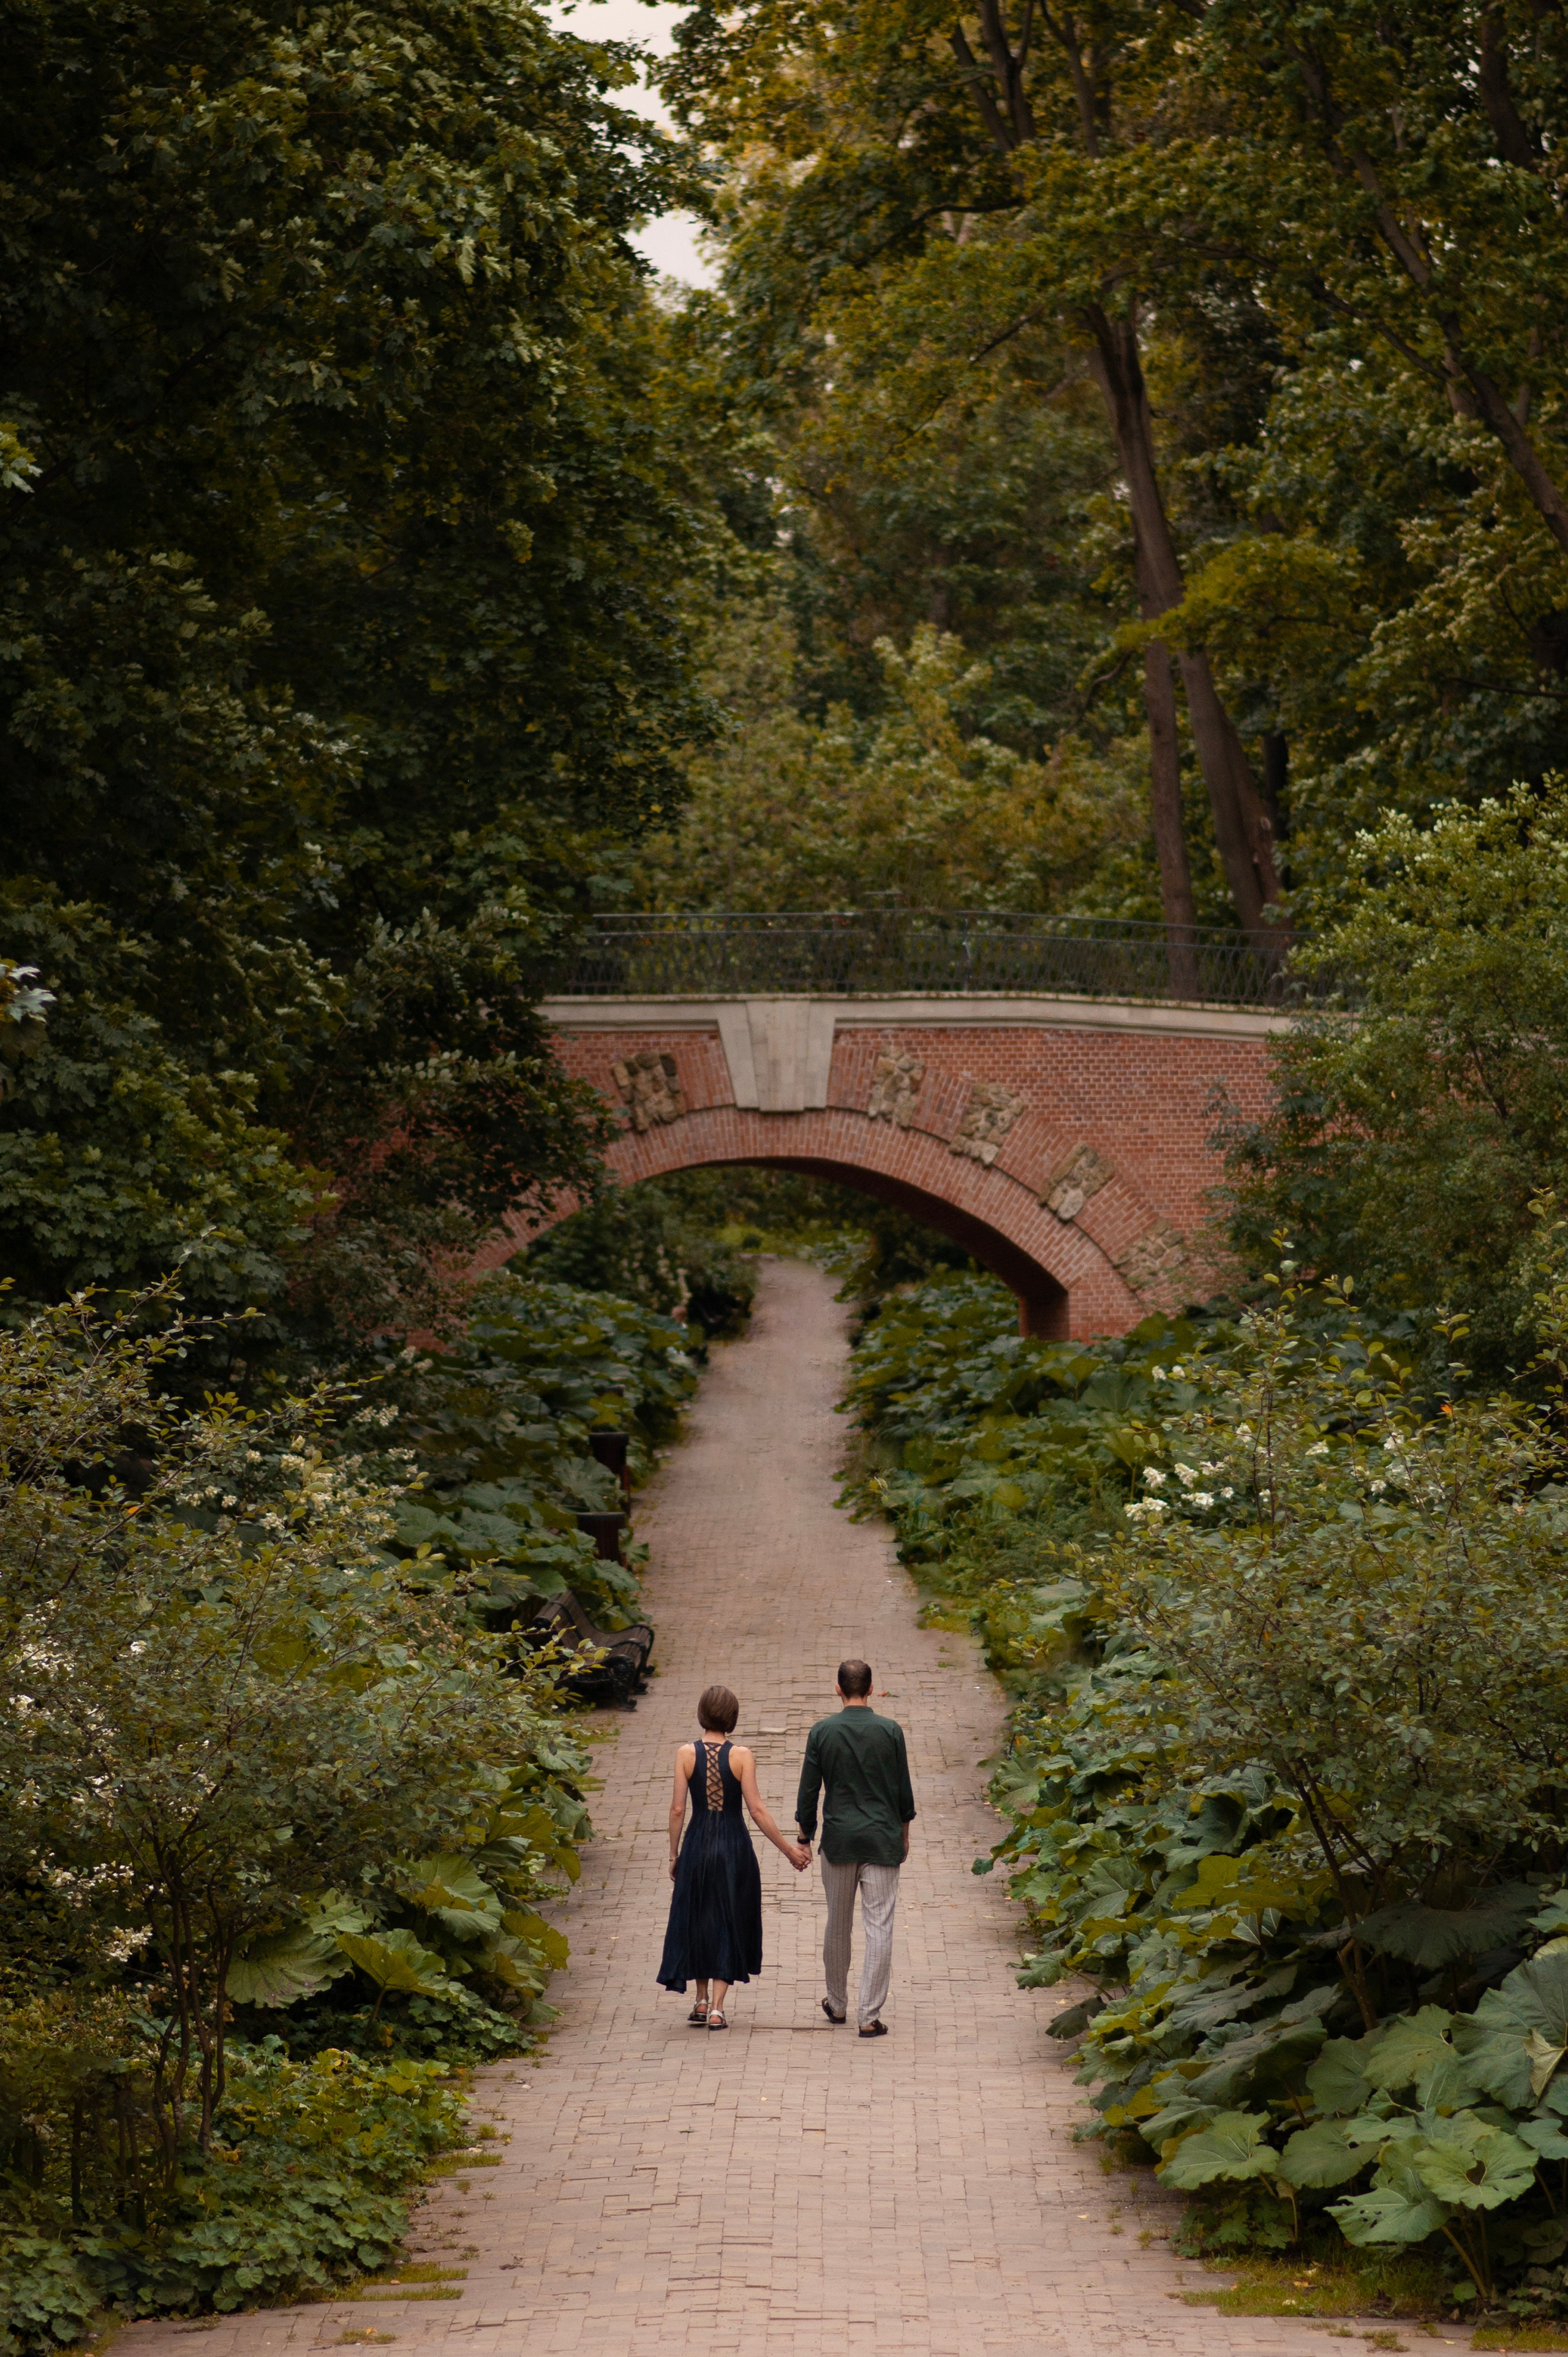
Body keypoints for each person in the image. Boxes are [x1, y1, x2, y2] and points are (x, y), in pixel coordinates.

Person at [658, 1682, 809, 2029]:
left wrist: (673, 1853)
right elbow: (756, 1810)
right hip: (733, 1845)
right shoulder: (742, 1756)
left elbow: (678, 1808)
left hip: (697, 1843)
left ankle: (699, 1999)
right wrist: (789, 1851)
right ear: (733, 1718)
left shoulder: (685, 1753)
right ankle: (718, 2008)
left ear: (701, 1715)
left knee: (697, 1915)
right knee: (729, 1918)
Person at [795, 1659, 916, 2038]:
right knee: (879, 1925)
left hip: (839, 1841)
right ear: (872, 1688)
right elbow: (903, 1790)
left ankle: (837, 2002)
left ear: (838, 1689)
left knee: (838, 1923)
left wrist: (805, 1836)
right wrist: (904, 1833)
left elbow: (809, 1791)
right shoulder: (890, 1731)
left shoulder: (822, 1732)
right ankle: (869, 2015)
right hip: (882, 1839)